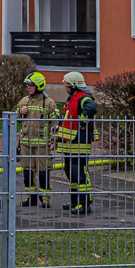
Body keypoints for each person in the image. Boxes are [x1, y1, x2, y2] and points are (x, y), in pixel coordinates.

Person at [54, 71, 98, 215]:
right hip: (70, 144)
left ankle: (84, 204)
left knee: (79, 173)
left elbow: (91, 108)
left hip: (80, 143)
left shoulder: (83, 98)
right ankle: (75, 201)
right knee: (71, 172)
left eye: (66, 84)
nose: (65, 86)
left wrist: (83, 121)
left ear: (74, 85)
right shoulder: (71, 98)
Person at [15, 72, 58, 207]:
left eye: (31, 85)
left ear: (39, 86)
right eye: (28, 85)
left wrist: (53, 141)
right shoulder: (24, 101)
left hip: (42, 145)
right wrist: (20, 112)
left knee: (43, 171)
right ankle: (30, 197)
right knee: (27, 170)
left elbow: (55, 123)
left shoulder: (49, 103)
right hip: (26, 144)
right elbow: (13, 117)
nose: (29, 87)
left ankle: (45, 198)